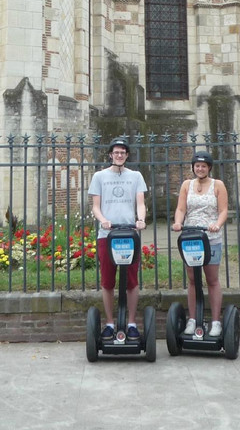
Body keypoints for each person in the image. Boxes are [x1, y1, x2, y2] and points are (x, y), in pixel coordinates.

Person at [88, 136, 148, 341]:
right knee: (107, 281)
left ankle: (131, 322)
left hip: (129, 234)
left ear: (127, 155)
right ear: (110, 154)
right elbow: (96, 206)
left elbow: (140, 202)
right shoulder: (99, 176)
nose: (119, 155)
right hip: (107, 235)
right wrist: (103, 220)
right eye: (116, 152)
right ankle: (110, 323)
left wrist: (141, 219)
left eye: (123, 152)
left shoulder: (136, 176)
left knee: (131, 280)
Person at [171, 150, 229, 337]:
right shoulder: (187, 185)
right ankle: (193, 319)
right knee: (193, 280)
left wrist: (217, 224)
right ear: (193, 167)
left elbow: (223, 210)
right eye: (197, 166)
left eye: (204, 166)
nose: (200, 169)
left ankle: (215, 322)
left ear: (209, 168)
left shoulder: (217, 185)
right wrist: (178, 222)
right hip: (191, 238)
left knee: (212, 280)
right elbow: (181, 208)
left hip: (211, 238)